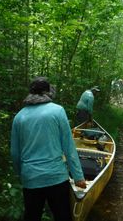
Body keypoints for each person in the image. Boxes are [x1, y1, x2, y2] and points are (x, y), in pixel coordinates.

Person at [11, 77, 86, 221]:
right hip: (56, 177)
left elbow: (15, 153)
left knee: (32, 217)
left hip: (30, 177)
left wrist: (23, 175)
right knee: (62, 216)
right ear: (48, 92)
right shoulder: (57, 111)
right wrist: (78, 176)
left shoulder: (19, 117)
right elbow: (68, 146)